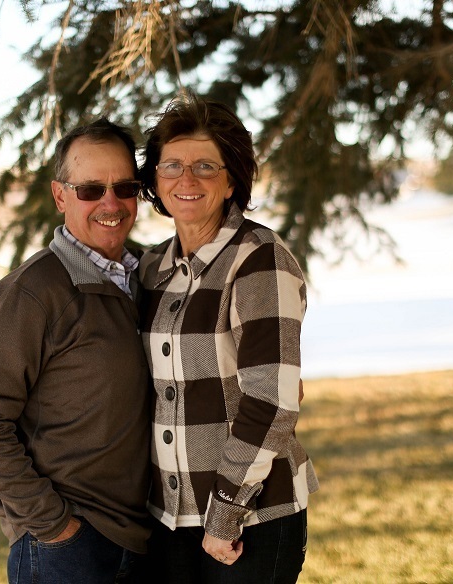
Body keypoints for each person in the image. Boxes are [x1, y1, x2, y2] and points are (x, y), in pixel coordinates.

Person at [0, 118, 151, 584]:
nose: (111, 203)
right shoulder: (33, 291)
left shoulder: (149, 275)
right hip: (67, 549)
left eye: (124, 187)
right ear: (60, 196)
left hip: (143, 541)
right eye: (90, 190)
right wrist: (54, 524)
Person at [137, 93, 319, 583]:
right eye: (171, 165)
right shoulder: (151, 267)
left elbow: (271, 400)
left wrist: (224, 513)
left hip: (250, 517)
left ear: (232, 179)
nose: (186, 179)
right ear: (155, 179)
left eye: (205, 166)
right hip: (168, 519)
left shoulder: (258, 258)